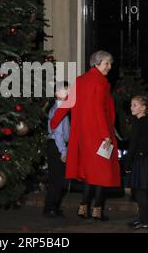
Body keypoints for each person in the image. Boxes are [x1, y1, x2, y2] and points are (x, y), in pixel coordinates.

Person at [50, 50, 120, 221]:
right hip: (99, 134)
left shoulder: (80, 80)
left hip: (83, 136)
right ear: (97, 64)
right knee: (102, 174)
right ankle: (97, 210)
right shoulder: (101, 82)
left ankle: (83, 207)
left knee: (90, 173)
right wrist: (105, 135)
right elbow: (99, 110)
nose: (109, 67)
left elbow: (68, 103)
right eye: (106, 64)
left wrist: (54, 121)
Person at [125, 96, 148, 229]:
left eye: (134, 105)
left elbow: (133, 146)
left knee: (140, 193)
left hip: (142, 161)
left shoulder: (139, 123)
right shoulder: (144, 121)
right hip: (146, 160)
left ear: (143, 108)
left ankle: (144, 221)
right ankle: (142, 219)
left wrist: (127, 164)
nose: (131, 107)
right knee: (140, 193)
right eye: (131, 105)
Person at [43, 82, 70, 218]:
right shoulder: (57, 110)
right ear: (56, 94)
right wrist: (63, 152)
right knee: (56, 179)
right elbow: (58, 133)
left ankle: (54, 206)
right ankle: (49, 208)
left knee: (60, 179)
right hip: (56, 146)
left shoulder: (63, 109)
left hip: (58, 145)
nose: (67, 93)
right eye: (64, 91)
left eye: (68, 90)